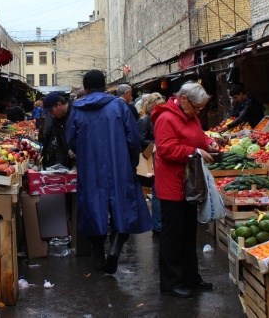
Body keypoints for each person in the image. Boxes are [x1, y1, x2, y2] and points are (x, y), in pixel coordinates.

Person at [67, 70, 152, 274]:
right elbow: (133, 139)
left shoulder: (77, 109)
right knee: (123, 209)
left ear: (86, 89)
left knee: (93, 209)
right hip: (119, 165)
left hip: (90, 168)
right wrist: (132, 163)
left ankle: (98, 257)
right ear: (105, 86)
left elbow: (70, 139)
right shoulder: (119, 106)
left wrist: (84, 153)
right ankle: (114, 250)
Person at [151, 81, 220, 298]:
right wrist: (195, 151)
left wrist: (209, 143)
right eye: (197, 107)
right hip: (173, 186)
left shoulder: (191, 116)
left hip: (190, 185)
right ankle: (171, 283)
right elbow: (166, 150)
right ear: (183, 99)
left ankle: (191, 278)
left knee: (189, 235)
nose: (199, 111)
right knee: (173, 236)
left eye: (201, 108)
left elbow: (199, 136)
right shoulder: (166, 118)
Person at [138, 93, 166, 236]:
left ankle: (160, 224)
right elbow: (141, 141)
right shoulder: (144, 120)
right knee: (156, 192)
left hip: (161, 158)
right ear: (150, 108)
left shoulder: (158, 119)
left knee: (159, 192)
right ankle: (157, 226)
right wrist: (158, 144)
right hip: (152, 158)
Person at [40, 92, 75, 169]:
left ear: (59, 105)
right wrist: (58, 166)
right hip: (71, 162)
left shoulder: (76, 114)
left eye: (51, 111)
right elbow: (61, 145)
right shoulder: (56, 120)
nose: (51, 114)